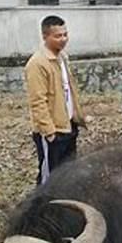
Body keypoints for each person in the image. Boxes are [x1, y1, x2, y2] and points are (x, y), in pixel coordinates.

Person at [24, 15, 84, 185]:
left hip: (68, 126)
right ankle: (43, 208)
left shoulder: (62, 58)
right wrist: (49, 132)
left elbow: (68, 91)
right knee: (50, 178)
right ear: (45, 36)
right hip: (53, 131)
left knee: (68, 175)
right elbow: (37, 101)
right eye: (58, 36)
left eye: (65, 34)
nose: (63, 39)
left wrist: (78, 117)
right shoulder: (37, 63)